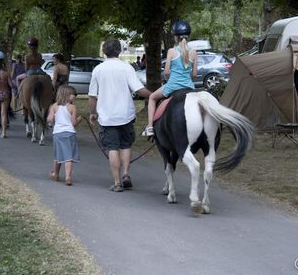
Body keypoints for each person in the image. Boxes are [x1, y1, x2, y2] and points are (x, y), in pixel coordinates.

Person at [88, 39, 151, 192]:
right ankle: (126, 174)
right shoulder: (126, 68)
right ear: (119, 51)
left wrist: (92, 113)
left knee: (112, 148)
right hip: (126, 115)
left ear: (104, 52)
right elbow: (138, 90)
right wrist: (154, 95)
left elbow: (92, 96)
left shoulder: (98, 69)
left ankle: (117, 183)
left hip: (107, 117)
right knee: (125, 145)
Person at [143, 20, 197, 136]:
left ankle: (150, 127)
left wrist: (168, 80)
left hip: (173, 86)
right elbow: (194, 74)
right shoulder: (194, 52)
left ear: (175, 37)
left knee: (152, 97)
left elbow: (166, 72)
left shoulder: (171, 51)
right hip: (189, 86)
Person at [47, 85, 82, 185]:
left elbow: (49, 119)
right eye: (72, 94)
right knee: (69, 156)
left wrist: (53, 118)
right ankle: (68, 177)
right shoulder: (72, 107)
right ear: (66, 95)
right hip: (70, 133)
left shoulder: (54, 106)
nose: (74, 96)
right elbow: (73, 123)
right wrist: (79, 119)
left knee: (58, 155)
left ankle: (56, 174)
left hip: (58, 134)